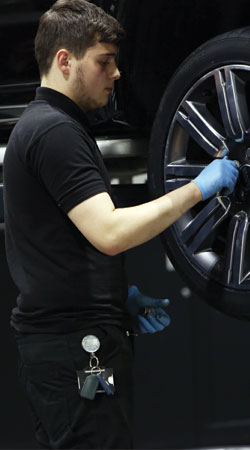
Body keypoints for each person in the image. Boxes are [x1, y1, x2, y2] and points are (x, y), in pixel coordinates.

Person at [3, 0, 239, 449]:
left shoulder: (49, 127)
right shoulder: (54, 132)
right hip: (74, 348)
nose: (116, 75)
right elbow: (109, 232)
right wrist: (199, 188)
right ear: (64, 60)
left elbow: (57, 239)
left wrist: (113, 296)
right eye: (104, 62)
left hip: (72, 342)